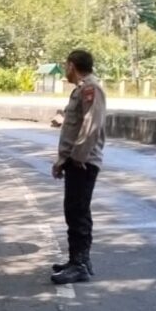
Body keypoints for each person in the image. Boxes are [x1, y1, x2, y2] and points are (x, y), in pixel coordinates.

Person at [51, 48, 106, 284]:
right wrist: (63, 160)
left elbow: (91, 127)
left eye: (66, 65)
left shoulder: (91, 89)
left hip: (83, 162)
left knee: (78, 212)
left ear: (72, 65)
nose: (65, 69)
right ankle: (79, 260)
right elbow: (74, 128)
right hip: (75, 160)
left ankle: (79, 265)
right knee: (74, 211)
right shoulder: (81, 89)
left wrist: (78, 158)